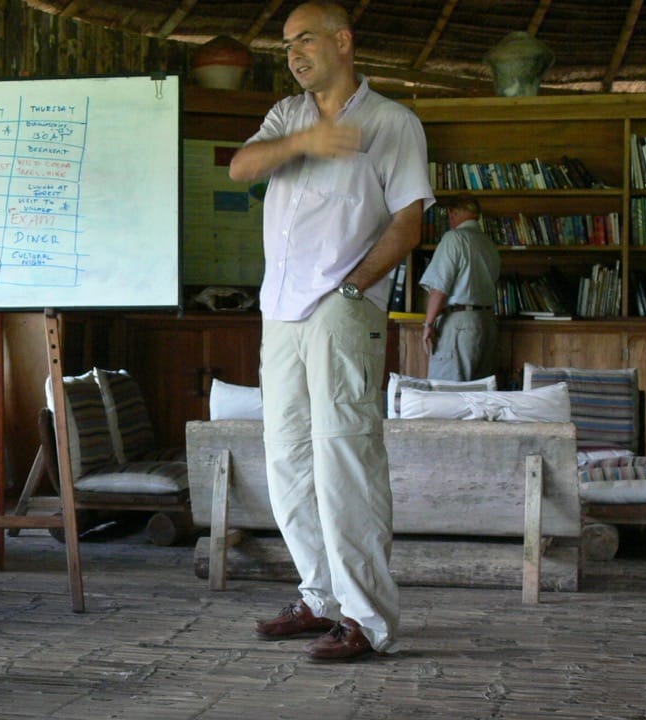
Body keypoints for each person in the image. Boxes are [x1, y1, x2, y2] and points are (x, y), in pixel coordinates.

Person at [227, 1, 433, 662]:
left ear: (343, 42)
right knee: (286, 457)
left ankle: (367, 620)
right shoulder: (286, 116)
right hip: (279, 310)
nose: (294, 54)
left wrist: (352, 288)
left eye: (306, 40)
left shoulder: (392, 122)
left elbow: (408, 224)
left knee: (345, 457)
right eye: (287, 43)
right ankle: (320, 599)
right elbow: (240, 168)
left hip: (342, 307)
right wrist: (304, 143)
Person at [419, 193, 500, 381]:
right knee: (478, 391)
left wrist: (428, 324)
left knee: (448, 389)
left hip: (460, 324)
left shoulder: (454, 238)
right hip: (487, 322)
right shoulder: (489, 244)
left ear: (452, 213)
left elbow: (439, 288)